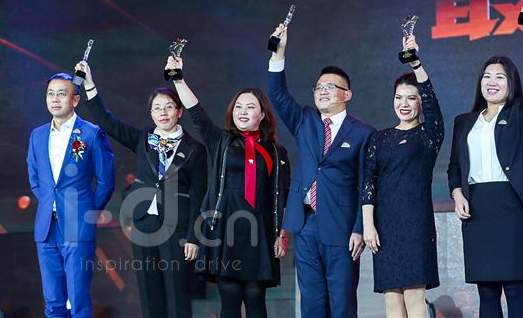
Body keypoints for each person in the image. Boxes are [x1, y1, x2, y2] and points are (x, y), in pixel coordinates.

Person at [76, 61, 206, 318]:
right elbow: (108, 122)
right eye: (156, 108)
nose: (162, 112)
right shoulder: (144, 140)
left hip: (177, 227)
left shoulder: (195, 149)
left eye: (168, 107)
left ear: (179, 111)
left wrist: (194, 237)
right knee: (149, 291)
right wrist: (89, 85)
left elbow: (199, 194)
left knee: (178, 291)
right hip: (144, 223)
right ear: (151, 113)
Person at [447, 4, 523, 318]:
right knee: (487, 291)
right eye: (487, 76)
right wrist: (457, 194)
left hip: (510, 205)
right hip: (477, 207)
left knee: (515, 288)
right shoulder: (464, 122)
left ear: (510, 83)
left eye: (500, 77)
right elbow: (454, 166)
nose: (492, 81)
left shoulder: (520, 114)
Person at [166, 56, 289, 318]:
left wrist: (281, 233)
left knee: (255, 297)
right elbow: (196, 113)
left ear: (262, 114)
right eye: (238, 107)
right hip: (225, 227)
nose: (242, 111)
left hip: (259, 230)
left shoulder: (276, 152)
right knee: (230, 298)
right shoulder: (221, 141)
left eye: (250, 107)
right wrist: (178, 79)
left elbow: (281, 196)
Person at [267, 23, 374, 318]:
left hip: (341, 226)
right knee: (312, 304)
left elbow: (365, 183)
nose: (322, 92)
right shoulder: (305, 120)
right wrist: (279, 53)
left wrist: (359, 227)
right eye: (319, 87)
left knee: (341, 304)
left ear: (347, 95)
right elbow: (277, 94)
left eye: (330, 87)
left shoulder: (363, 133)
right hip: (305, 224)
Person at [362, 35, 444, 317]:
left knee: (413, 295)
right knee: (391, 297)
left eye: (411, 98)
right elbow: (368, 182)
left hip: (415, 224)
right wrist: (368, 225)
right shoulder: (379, 138)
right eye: (399, 97)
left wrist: (416, 63)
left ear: (420, 102)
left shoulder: (428, 135)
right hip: (384, 226)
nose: (404, 103)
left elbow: (432, 105)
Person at [27, 73, 115, 318]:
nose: (55, 99)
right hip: (46, 226)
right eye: (50, 94)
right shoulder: (37, 135)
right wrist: (50, 203)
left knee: (78, 301)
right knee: (53, 302)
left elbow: (106, 182)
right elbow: (35, 179)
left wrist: (85, 212)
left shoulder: (91, 133)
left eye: (61, 94)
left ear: (75, 100)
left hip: (78, 225)